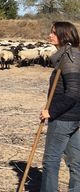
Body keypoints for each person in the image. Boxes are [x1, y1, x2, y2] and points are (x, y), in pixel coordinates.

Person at [40, 21, 80, 191]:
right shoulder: (71, 55)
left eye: (54, 33)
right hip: (75, 118)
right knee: (76, 162)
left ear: (65, 35)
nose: (50, 35)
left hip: (63, 118)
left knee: (51, 161)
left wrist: (51, 111)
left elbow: (73, 93)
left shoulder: (69, 58)